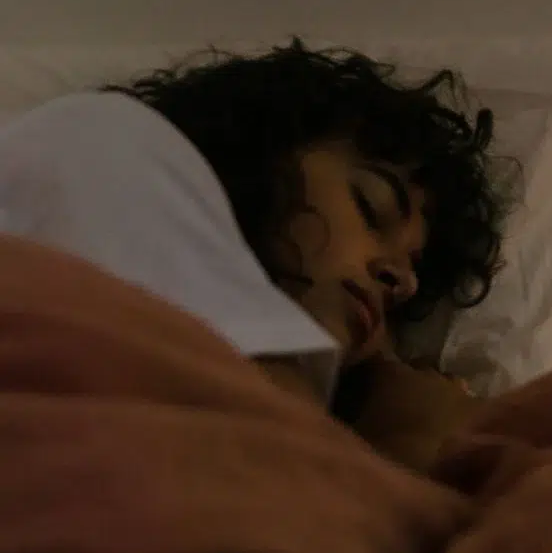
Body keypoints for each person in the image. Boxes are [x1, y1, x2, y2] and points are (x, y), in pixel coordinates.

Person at [0, 40, 507, 470]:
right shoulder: (105, 146)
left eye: (411, 268)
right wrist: (415, 441)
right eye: (370, 207)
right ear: (260, 151)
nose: (402, 282)